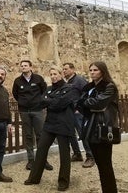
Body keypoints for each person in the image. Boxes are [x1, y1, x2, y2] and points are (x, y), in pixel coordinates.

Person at [24, 66, 80, 191]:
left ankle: (63, 181)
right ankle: (34, 178)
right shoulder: (49, 89)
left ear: (60, 74)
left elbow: (60, 104)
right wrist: (52, 100)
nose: (53, 76)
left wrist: (50, 100)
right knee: (41, 150)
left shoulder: (69, 88)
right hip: (50, 125)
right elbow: (41, 102)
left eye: (55, 74)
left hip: (64, 125)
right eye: (51, 74)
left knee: (64, 154)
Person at [76, 61, 119, 193]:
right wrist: (87, 104)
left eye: (96, 70)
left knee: (106, 165)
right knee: (100, 165)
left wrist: (85, 103)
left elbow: (99, 103)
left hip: (103, 128)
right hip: (90, 128)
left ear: (102, 71)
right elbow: (80, 105)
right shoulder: (89, 87)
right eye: (91, 70)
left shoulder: (109, 86)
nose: (93, 72)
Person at [12, 60, 53, 171]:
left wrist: (39, 103)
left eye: (25, 65)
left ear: (31, 67)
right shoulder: (17, 81)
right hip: (24, 112)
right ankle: (31, 160)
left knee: (40, 135)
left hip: (37, 111)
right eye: (22, 66)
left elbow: (44, 92)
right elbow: (15, 95)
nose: (23, 67)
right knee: (28, 136)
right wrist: (23, 103)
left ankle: (43, 160)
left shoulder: (38, 79)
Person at [62, 63, 95, 168]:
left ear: (72, 69)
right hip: (69, 112)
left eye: (66, 69)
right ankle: (77, 154)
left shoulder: (79, 80)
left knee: (83, 133)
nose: (64, 71)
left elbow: (87, 94)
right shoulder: (67, 82)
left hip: (78, 113)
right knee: (71, 133)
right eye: (63, 69)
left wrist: (79, 108)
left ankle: (90, 157)